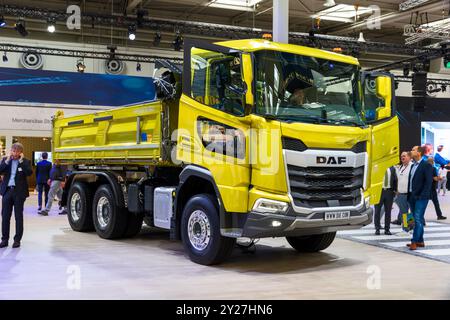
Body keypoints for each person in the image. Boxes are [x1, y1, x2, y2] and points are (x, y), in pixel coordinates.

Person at [0, 143, 33, 248]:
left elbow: (29, 173)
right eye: (13, 151)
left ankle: (17, 240)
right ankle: (4, 240)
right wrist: (6, 161)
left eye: (17, 151)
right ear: (11, 151)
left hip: (19, 193)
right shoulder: (6, 160)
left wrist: (21, 162)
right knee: (5, 216)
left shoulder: (25, 161)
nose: (14, 153)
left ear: (20, 152)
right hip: (7, 191)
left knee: (18, 217)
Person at [407, 145, 433, 250]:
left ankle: (414, 241)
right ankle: (420, 241)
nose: (411, 151)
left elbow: (428, 182)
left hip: (421, 197)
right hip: (412, 196)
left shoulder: (426, 165)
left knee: (417, 219)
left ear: (419, 153)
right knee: (418, 219)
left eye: (413, 150)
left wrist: (423, 195)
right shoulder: (413, 165)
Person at [374, 165, 397, 235]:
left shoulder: (393, 168)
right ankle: (377, 228)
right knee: (377, 211)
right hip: (379, 192)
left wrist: (395, 190)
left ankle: (407, 228)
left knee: (405, 212)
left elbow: (395, 179)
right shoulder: (377, 167)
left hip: (392, 192)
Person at [392, 151, 413, 225]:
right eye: (401, 156)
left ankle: (409, 228)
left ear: (409, 157)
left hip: (410, 194)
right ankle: (407, 228)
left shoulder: (412, 167)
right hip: (401, 194)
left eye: (404, 156)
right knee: (404, 212)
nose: (402, 157)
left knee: (411, 212)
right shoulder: (400, 167)